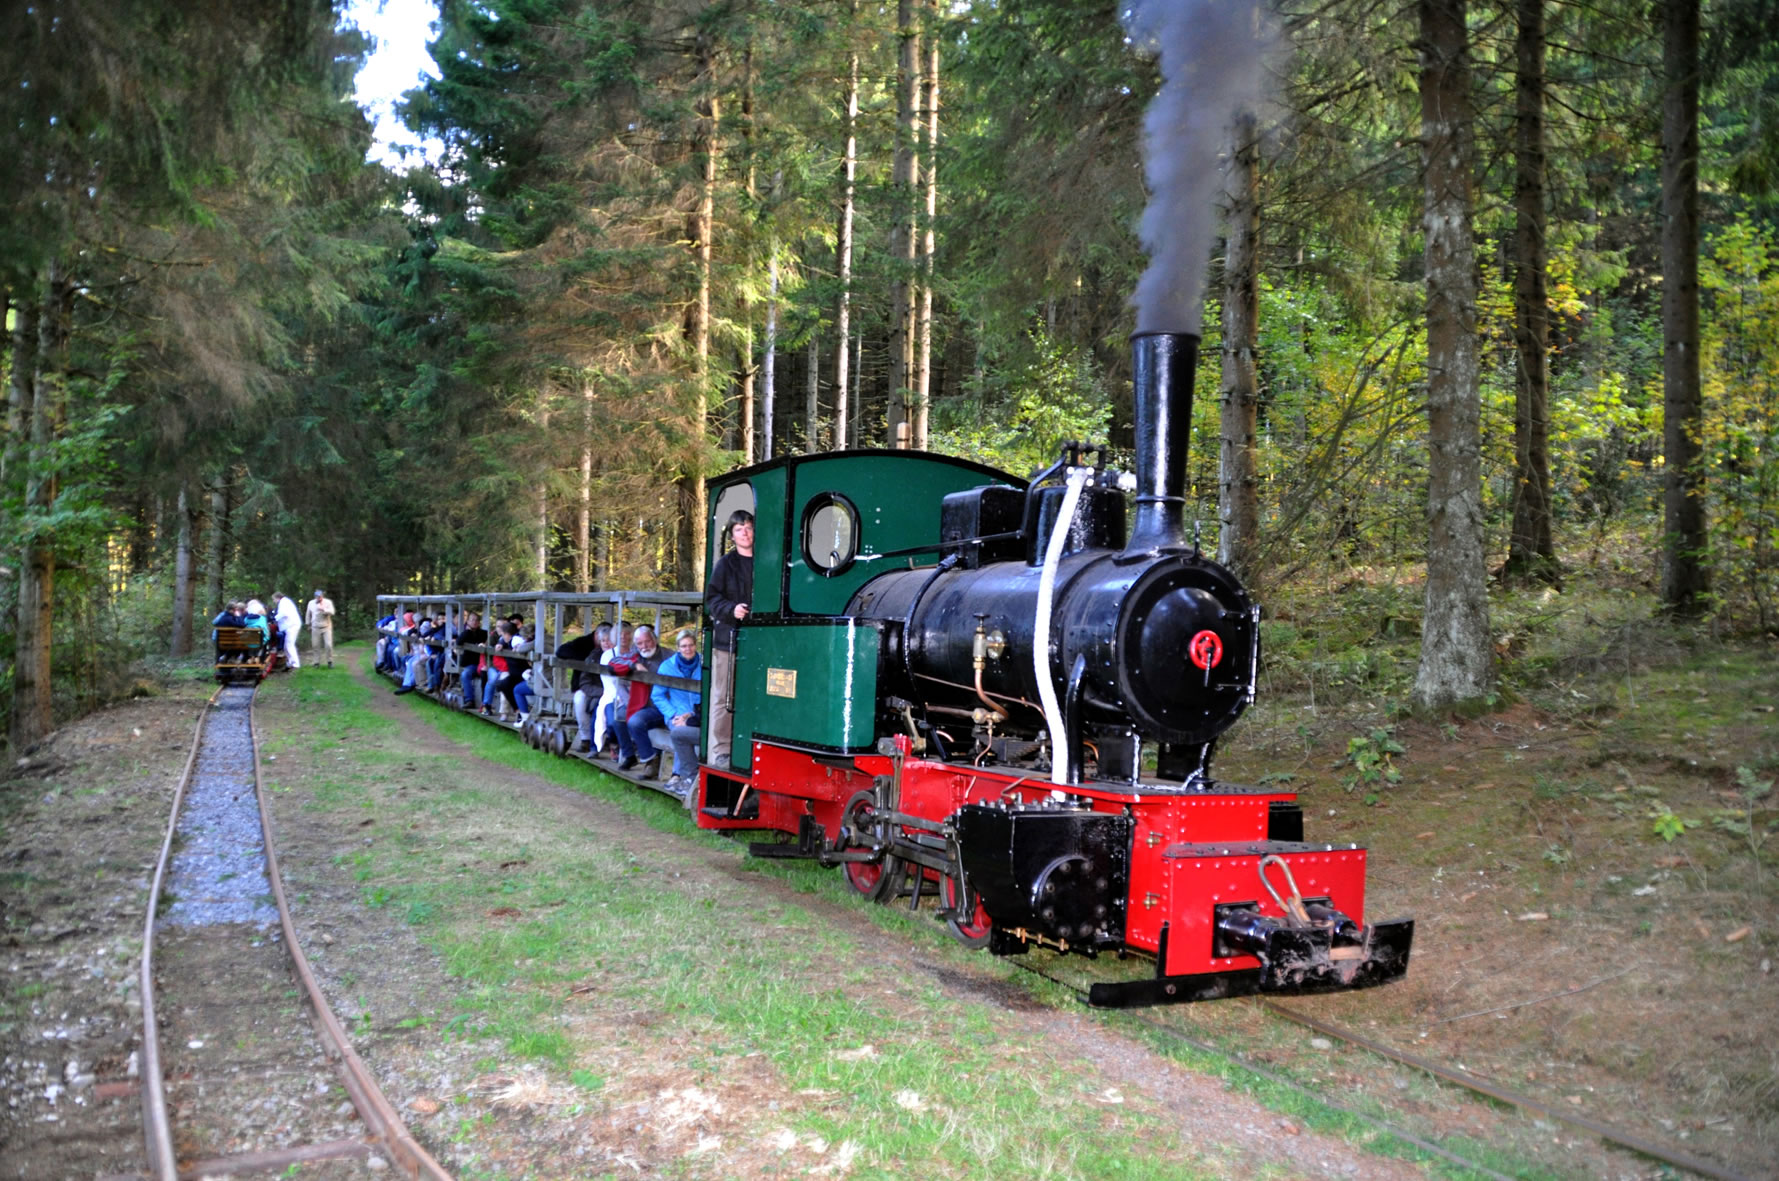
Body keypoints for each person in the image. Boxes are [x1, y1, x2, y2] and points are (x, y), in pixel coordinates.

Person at [704, 509, 754, 768]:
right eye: (739, 529)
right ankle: (722, 750)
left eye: (747, 527)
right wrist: (732, 610)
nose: (744, 533)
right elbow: (712, 600)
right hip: (729, 642)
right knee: (725, 696)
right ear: (732, 535)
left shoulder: (767, 562)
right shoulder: (725, 564)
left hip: (759, 641)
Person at [646, 629, 704, 796]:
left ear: (695, 646)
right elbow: (657, 695)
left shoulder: (704, 664)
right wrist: (672, 714)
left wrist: (692, 715)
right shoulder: (667, 666)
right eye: (684, 646)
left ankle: (681, 776)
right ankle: (678, 775)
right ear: (678, 647)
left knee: (683, 732)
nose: (688, 649)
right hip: (676, 713)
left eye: (691, 645)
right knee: (678, 730)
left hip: (697, 714)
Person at [611, 624, 662, 775]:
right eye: (639, 643)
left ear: (655, 640)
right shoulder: (636, 655)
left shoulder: (668, 656)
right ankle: (629, 755)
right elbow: (613, 663)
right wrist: (634, 664)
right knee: (617, 718)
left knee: (635, 721)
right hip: (640, 703)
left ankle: (650, 761)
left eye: (647, 642)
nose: (644, 646)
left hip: (659, 706)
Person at [557, 622, 608, 754]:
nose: (605, 642)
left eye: (608, 640)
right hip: (585, 685)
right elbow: (560, 651)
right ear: (597, 635)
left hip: (607, 688)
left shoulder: (615, 651)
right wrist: (584, 660)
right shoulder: (585, 644)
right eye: (603, 639)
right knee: (580, 700)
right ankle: (585, 738)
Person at [596, 621, 634, 758]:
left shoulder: (636, 653)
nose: (623, 637)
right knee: (613, 720)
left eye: (627, 634)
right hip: (612, 694)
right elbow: (611, 681)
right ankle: (614, 744)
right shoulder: (608, 655)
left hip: (633, 695)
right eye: (620, 634)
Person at [457, 611, 487, 708]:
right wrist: (468, 631)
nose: (474, 622)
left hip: (483, 663)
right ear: (468, 621)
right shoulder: (466, 633)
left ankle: (484, 703)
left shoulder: (484, 633)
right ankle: (469, 700)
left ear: (479, 622)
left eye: (476, 620)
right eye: (472, 620)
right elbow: (458, 642)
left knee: (472, 674)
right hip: (471, 664)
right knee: (465, 674)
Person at [306, 590, 336, 667]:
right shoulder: (311, 603)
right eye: (317, 596)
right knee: (315, 645)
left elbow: (332, 612)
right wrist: (308, 624)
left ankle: (330, 661)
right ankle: (316, 662)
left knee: (328, 645)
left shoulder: (328, 602)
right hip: (315, 626)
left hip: (326, 626)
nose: (319, 598)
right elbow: (308, 614)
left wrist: (324, 609)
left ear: (322, 596)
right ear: (315, 596)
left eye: (320, 596)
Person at [272, 592, 303, 670]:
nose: (273, 601)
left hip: (292, 625)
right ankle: (290, 662)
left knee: (289, 644)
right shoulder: (285, 602)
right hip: (290, 625)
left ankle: (296, 664)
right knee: (286, 646)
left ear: (277, 597)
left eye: (273, 599)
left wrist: (274, 618)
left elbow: (283, 613)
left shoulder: (284, 603)